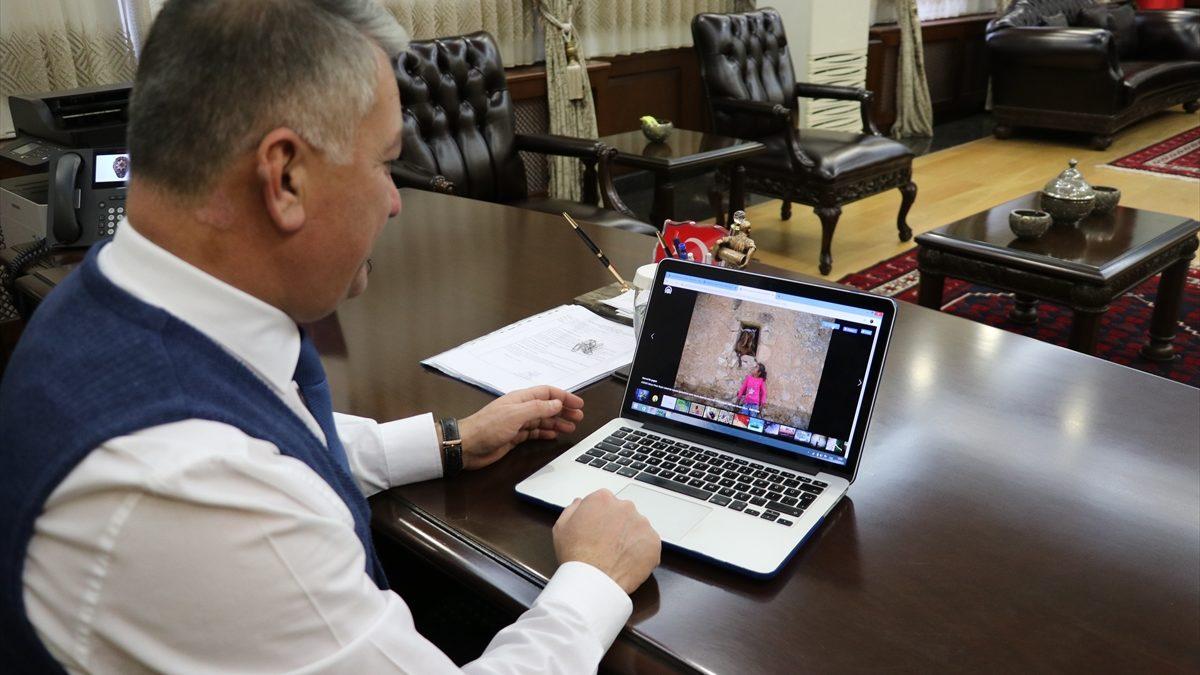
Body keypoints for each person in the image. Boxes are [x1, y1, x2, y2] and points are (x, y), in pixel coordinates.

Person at [0, 1, 661, 672]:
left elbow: (275, 428)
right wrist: (593, 579)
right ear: (286, 177)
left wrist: (450, 440)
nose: (394, 202)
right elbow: (240, 467)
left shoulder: (111, 298)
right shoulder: (196, 488)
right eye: (384, 164)